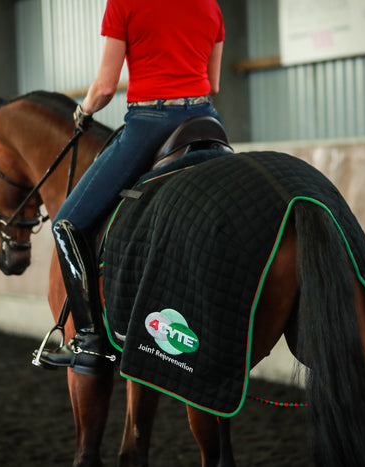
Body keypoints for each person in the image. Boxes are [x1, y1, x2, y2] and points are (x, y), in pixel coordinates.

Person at [38, 0, 225, 375]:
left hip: (151, 121)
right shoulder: (211, 6)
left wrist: (83, 111)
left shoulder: (123, 3)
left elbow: (106, 86)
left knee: (68, 224)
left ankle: (89, 339)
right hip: (206, 121)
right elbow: (215, 83)